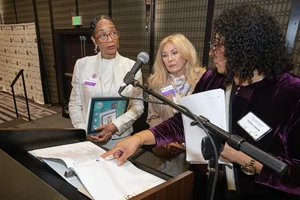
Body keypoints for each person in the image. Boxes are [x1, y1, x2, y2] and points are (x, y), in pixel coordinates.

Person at [102, 4, 300, 199]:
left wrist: (241, 158)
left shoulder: (290, 92)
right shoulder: (213, 79)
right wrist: (138, 139)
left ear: (245, 46)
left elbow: (295, 174)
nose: (212, 52)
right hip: (207, 184)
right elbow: (184, 121)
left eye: (218, 45)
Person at [69, 15, 144, 149]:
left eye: (113, 33)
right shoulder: (82, 65)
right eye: (102, 35)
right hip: (90, 138)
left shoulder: (132, 67)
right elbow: (75, 104)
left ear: (118, 35)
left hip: (121, 139)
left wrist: (116, 126)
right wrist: (83, 130)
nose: (110, 39)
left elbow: (138, 107)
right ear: (94, 40)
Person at [146, 33, 206, 176]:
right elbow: (152, 117)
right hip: (168, 155)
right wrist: (165, 140)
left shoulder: (203, 79)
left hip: (198, 155)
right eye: (165, 55)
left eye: (174, 53)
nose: (170, 59)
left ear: (186, 53)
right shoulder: (156, 84)